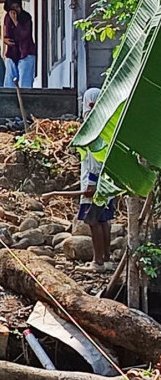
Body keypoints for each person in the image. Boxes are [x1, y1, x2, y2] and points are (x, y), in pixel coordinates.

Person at [42, 88, 114, 272]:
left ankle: (97, 262)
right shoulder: (108, 125)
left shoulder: (92, 128)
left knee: (93, 221)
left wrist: (91, 182)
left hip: (94, 180)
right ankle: (106, 259)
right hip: (106, 181)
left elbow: (93, 159)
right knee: (104, 220)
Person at [3, 0, 36, 88]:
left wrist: (16, 22)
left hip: (26, 52)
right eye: (13, 8)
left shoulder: (26, 17)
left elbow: (24, 34)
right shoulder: (7, 18)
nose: (16, 10)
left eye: (17, 7)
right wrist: (6, 40)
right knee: (9, 83)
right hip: (12, 53)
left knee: (25, 83)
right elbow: (6, 33)